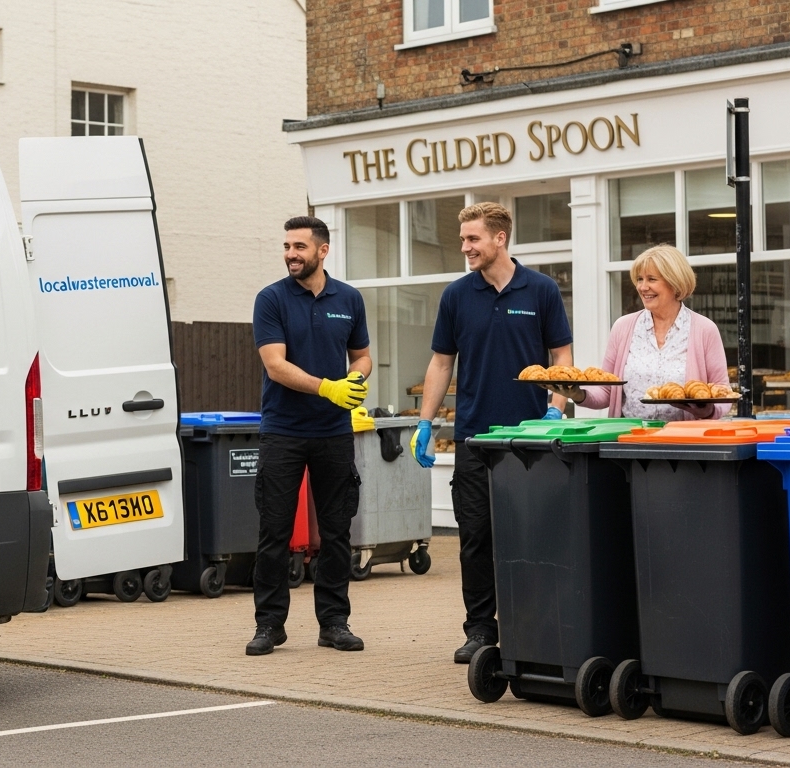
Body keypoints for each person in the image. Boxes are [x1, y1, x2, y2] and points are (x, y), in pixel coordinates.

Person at [409, 202, 574, 664]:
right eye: (463, 239)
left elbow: (562, 356)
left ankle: (535, 627)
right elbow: (442, 363)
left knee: (533, 537)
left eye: (473, 239)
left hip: (530, 441)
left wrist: (555, 409)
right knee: (476, 539)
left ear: (500, 238)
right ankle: (480, 630)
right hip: (474, 440)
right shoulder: (456, 296)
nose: (465, 247)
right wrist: (426, 421)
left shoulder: (540, 289)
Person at [247, 216, 373, 656]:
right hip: (283, 432)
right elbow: (275, 365)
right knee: (274, 531)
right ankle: (269, 626)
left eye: (299, 246)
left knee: (336, 532)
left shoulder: (349, 299)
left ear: (323, 250)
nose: (290, 254)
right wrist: (328, 387)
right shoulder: (271, 299)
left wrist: (356, 379)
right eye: (287, 246)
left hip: (334, 433)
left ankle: (334, 623)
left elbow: (362, 356)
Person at [546, 244, 731, 421]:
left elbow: (723, 392)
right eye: (640, 279)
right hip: (630, 436)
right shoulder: (623, 327)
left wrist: (707, 410)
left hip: (683, 438)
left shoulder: (704, 329)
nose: (642, 287)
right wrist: (577, 394)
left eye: (651, 279)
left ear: (675, 283)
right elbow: (607, 391)